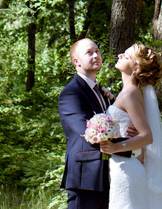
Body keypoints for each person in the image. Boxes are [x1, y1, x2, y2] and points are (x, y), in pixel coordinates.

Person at [98, 44, 162, 209]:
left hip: (127, 168)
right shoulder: (129, 92)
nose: (119, 55)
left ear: (136, 69)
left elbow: (147, 136)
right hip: (124, 166)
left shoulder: (129, 94)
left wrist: (115, 147)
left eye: (126, 57)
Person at [59, 38, 122, 209]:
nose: (96, 55)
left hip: (108, 173)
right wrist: (129, 146)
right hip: (85, 177)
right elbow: (89, 132)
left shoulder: (101, 91)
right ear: (76, 61)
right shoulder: (70, 94)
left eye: (97, 51)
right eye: (89, 52)